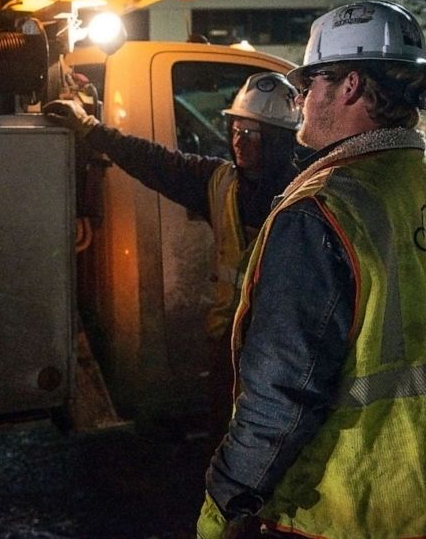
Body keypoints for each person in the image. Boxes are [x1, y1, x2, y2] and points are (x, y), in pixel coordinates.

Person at [197, 1, 426, 539]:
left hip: (346, 515)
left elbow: (280, 397)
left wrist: (225, 504)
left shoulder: (323, 211)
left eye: (310, 83)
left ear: (350, 85)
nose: (302, 100)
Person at [44, 71, 301, 435]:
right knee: (226, 437)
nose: (240, 141)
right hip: (228, 344)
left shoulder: (309, 193)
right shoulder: (220, 182)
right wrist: (90, 128)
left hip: (282, 351)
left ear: (279, 140)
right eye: (237, 130)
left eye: (253, 133)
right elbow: (155, 161)